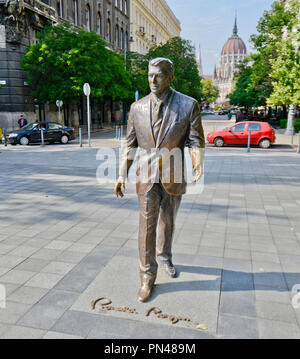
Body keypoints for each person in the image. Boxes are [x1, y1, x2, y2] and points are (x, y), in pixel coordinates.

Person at [114, 58, 205, 302]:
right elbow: (130, 143)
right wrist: (122, 172)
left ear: (170, 77)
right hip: (146, 175)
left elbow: (196, 140)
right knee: (146, 225)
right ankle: (147, 276)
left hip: (174, 174)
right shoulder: (137, 107)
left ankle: (165, 256)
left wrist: (197, 163)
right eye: (150, 75)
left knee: (168, 221)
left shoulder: (188, 105)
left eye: (159, 76)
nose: (153, 81)